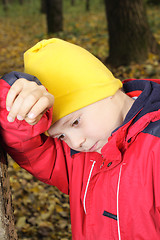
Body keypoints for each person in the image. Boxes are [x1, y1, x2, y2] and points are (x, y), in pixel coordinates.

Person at [0, 38, 160, 240]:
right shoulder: (76, 158)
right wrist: (17, 104)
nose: (75, 143)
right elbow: (26, 145)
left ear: (106, 90)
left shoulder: (156, 144)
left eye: (75, 122)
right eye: (61, 136)